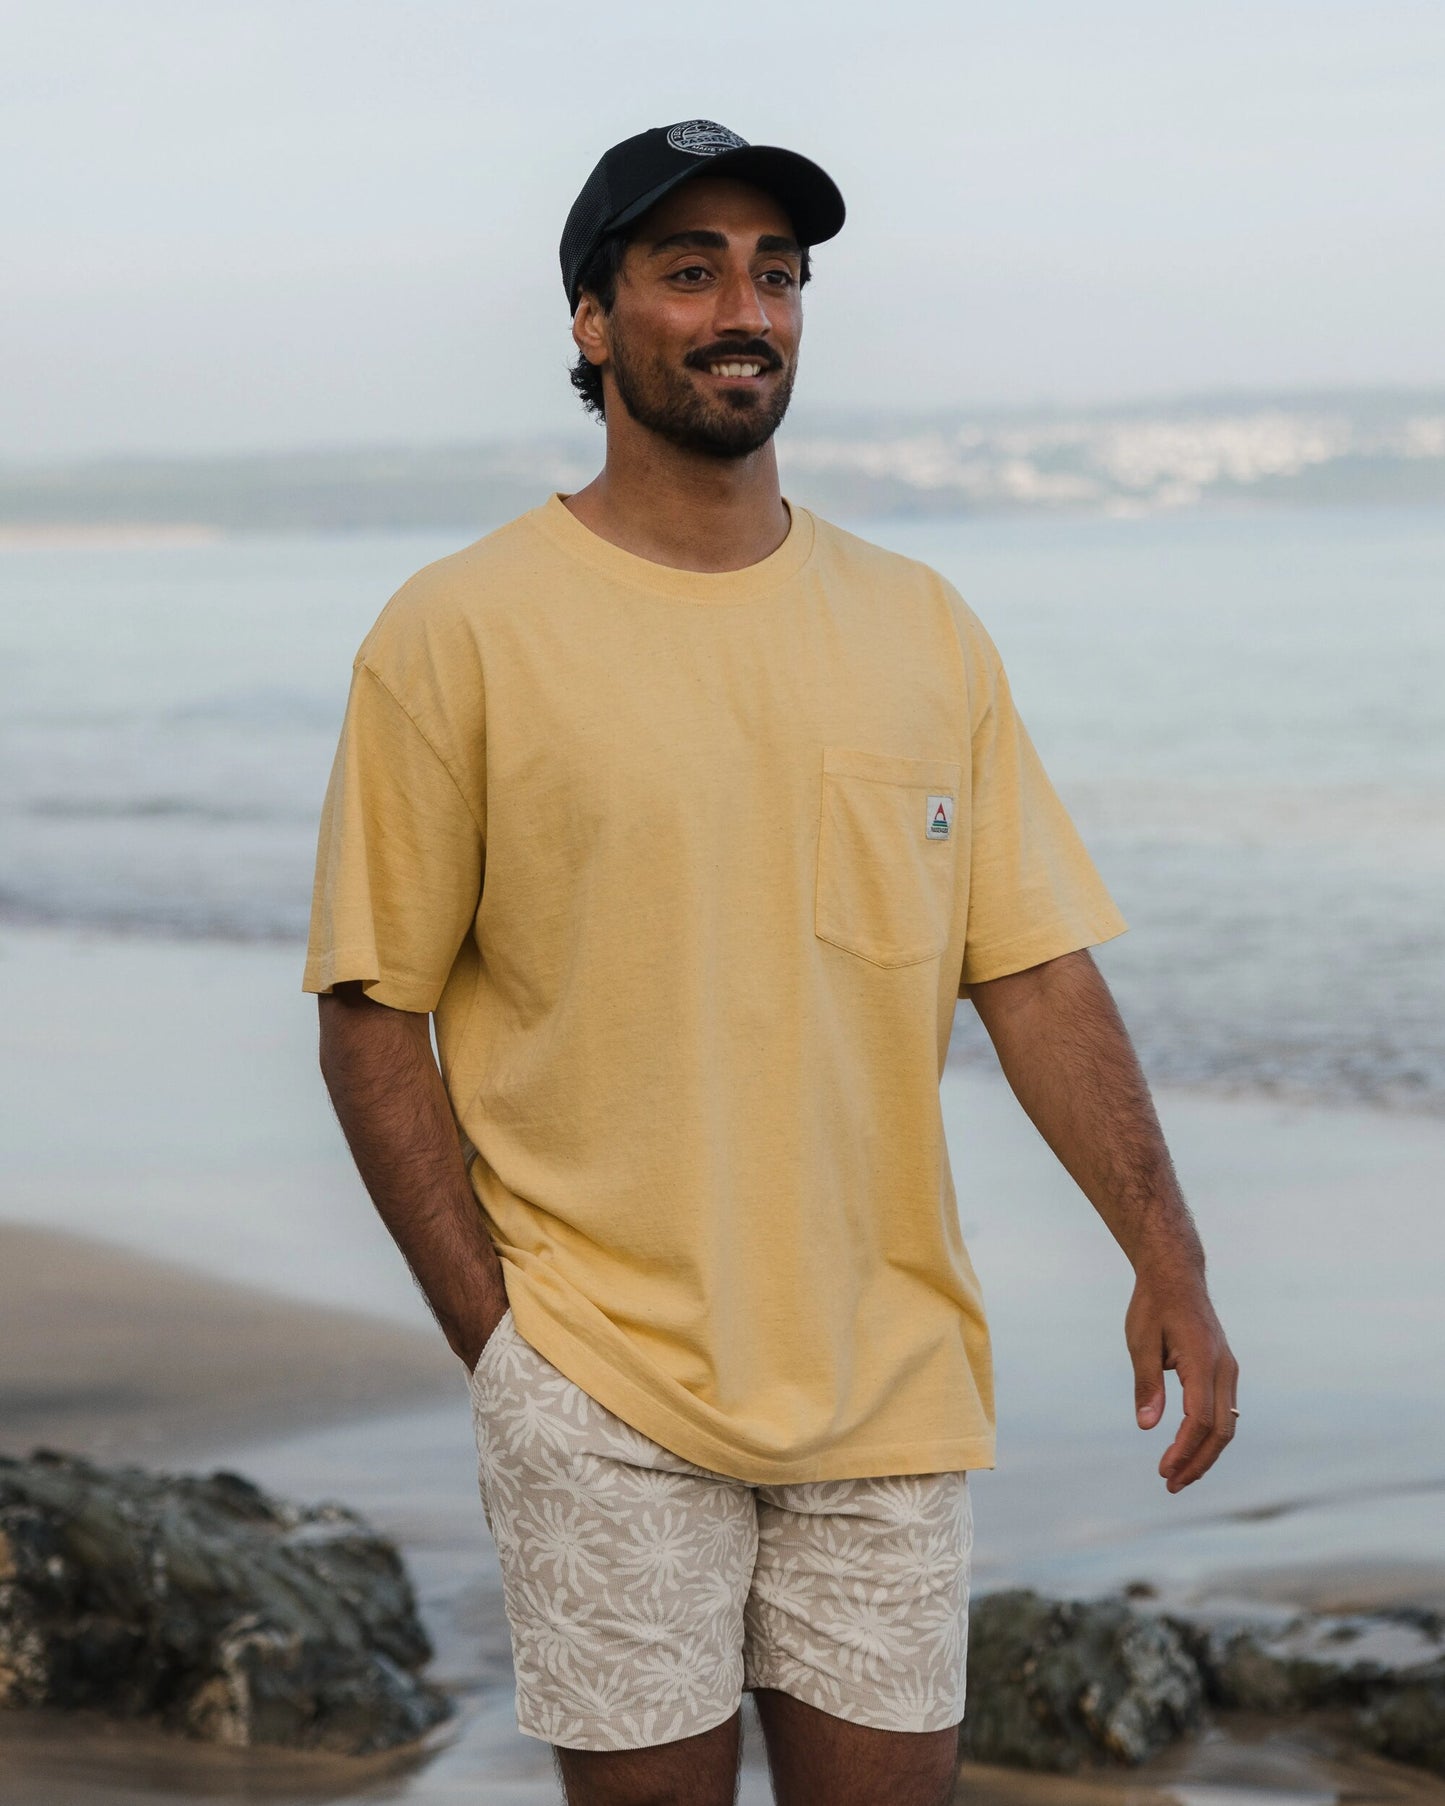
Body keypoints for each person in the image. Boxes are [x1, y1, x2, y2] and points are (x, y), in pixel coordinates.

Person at [303, 119, 1239, 1806]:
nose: (745, 309)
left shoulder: (919, 624)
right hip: (595, 1371)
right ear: (592, 321)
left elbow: (1033, 972)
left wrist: (1163, 1248)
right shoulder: (459, 630)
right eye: (690, 271)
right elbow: (373, 1015)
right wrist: (504, 1347)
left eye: (777, 273)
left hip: (888, 1376)